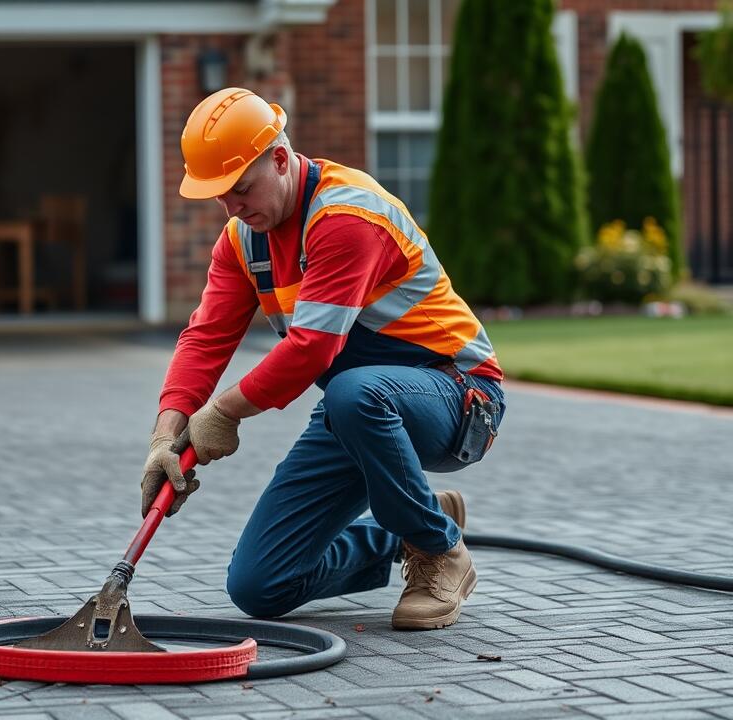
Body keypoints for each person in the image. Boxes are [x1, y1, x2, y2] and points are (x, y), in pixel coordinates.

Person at [142, 88, 506, 630]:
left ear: (282, 160)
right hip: (358, 409)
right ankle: (413, 525)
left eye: (241, 189)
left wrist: (223, 413)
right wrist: (164, 436)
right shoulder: (244, 240)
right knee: (260, 585)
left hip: (457, 395)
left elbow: (313, 347)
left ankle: (439, 552)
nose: (233, 207)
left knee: (355, 392)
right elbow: (205, 337)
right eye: (221, 197)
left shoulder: (347, 215)